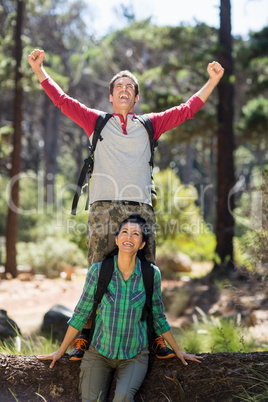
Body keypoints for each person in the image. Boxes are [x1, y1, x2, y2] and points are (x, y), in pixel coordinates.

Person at [28, 49, 224, 359]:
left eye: (129, 87)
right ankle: (85, 336)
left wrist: (212, 81)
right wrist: (39, 70)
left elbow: (187, 109)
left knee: (145, 272)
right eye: (118, 86)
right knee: (97, 272)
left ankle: (155, 338)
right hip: (103, 209)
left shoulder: (150, 125)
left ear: (135, 100)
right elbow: (62, 101)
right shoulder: (97, 121)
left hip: (140, 209)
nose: (123, 90)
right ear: (110, 96)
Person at [37, 215, 203, 402]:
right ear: (116, 240)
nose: (129, 237)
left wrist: (178, 351)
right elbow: (81, 314)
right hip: (99, 351)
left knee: (123, 397)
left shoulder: (150, 274)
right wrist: (60, 352)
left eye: (135, 234)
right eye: (124, 232)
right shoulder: (98, 271)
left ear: (141, 244)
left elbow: (158, 316)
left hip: (134, 354)